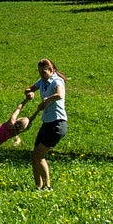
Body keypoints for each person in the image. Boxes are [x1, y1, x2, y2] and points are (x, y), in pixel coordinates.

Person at [27, 58, 67, 190]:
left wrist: (46, 100)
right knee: (34, 155)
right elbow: (30, 88)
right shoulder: (42, 81)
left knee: (39, 155)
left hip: (57, 123)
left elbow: (59, 94)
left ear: (51, 70)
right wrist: (30, 92)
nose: (41, 75)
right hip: (47, 122)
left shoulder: (57, 81)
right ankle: (39, 186)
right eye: (40, 72)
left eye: (44, 72)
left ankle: (47, 187)